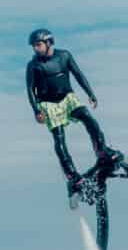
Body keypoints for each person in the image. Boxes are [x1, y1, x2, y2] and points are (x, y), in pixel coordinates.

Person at [25, 28, 121, 199]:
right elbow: (30, 91)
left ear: (48, 43)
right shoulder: (33, 66)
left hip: (68, 99)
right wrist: (37, 111)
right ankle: (72, 176)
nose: (35, 49)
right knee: (59, 138)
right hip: (49, 105)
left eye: (38, 45)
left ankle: (102, 152)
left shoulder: (64, 56)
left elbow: (78, 74)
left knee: (89, 120)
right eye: (33, 46)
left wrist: (90, 94)